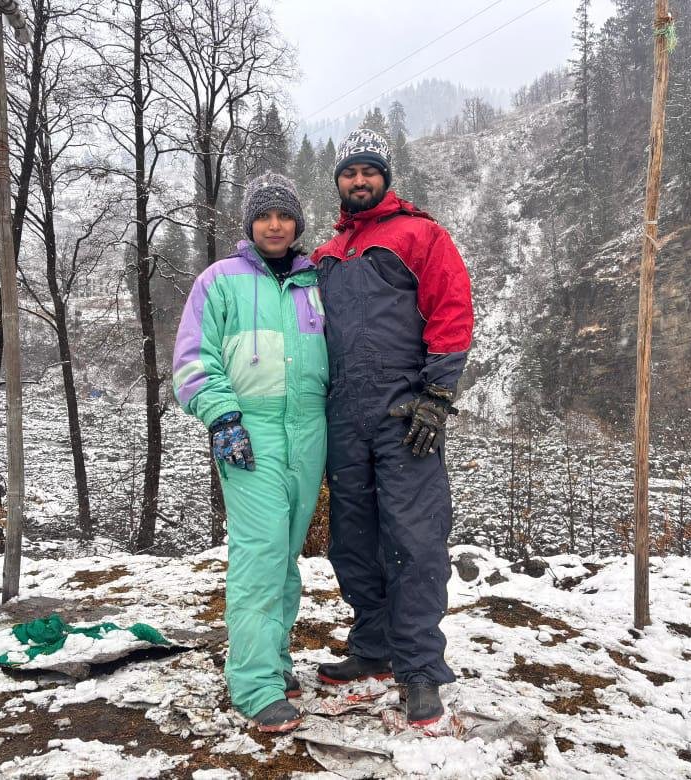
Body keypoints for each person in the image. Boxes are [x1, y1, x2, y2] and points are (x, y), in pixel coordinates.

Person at [310, 129, 474, 728]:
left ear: (386, 176)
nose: (359, 180)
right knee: (352, 539)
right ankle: (373, 645)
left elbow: (452, 309)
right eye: (349, 172)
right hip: (341, 413)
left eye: (369, 170)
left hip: (404, 411)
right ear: (338, 181)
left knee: (414, 536)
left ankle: (421, 669)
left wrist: (437, 395)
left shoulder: (420, 235)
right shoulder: (326, 256)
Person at [172, 172, 328, 733]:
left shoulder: (316, 283)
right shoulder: (219, 281)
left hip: (309, 432)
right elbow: (192, 359)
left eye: (284, 215)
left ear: (297, 223)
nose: (275, 225)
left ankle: (275, 662)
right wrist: (222, 416)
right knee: (259, 555)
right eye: (264, 216)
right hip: (249, 433)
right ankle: (254, 684)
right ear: (249, 223)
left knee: (284, 557)